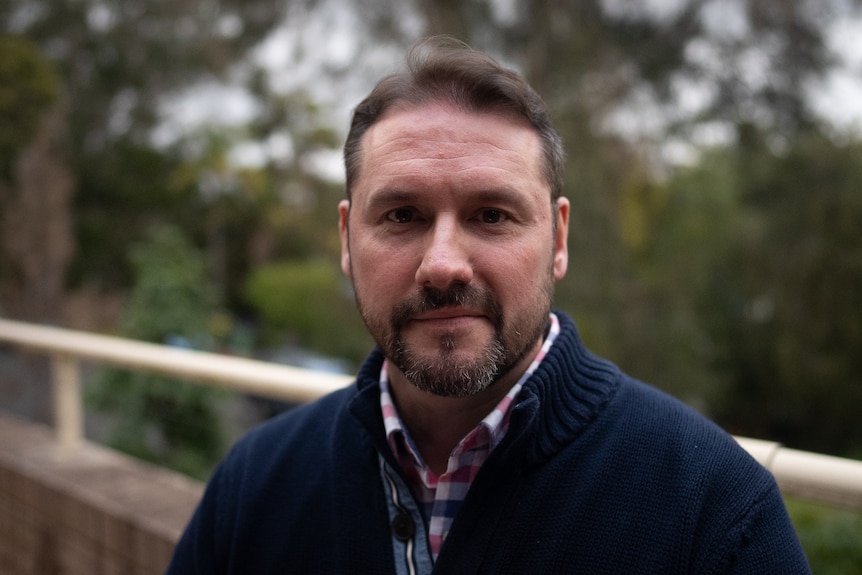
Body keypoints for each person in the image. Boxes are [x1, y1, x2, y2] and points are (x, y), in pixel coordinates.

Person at [167, 36, 810, 574]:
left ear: (558, 240)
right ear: (345, 239)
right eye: (402, 215)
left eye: (492, 215)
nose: (443, 262)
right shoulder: (253, 488)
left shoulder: (714, 511)